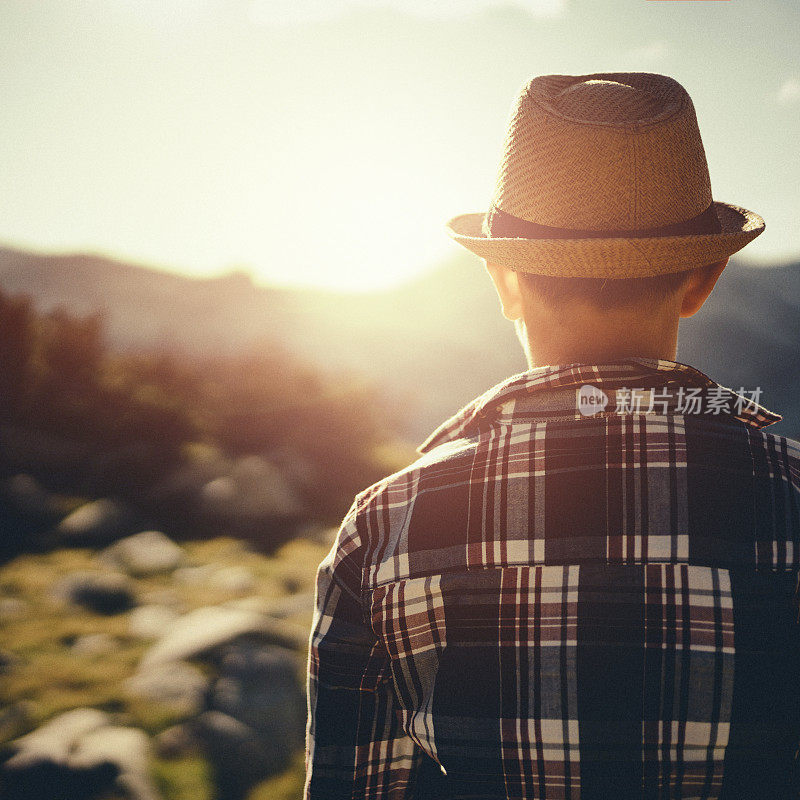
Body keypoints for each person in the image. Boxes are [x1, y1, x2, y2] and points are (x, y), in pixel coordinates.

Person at [304, 72, 800, 799]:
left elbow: (357, 785)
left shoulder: (384, 523)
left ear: (503, 281)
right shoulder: (791, 494)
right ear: (705, 280)